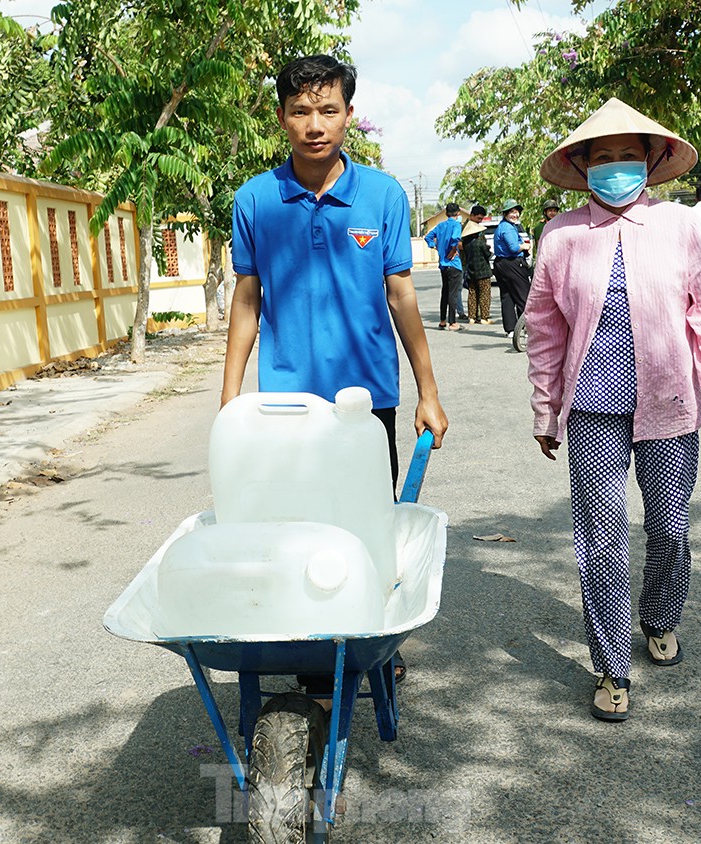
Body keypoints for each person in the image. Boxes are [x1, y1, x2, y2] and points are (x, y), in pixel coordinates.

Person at [223, 55, 447, 692]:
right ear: (281, 117)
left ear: (349, 115)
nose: (314, 125)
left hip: (366, 397)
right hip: (286, 404)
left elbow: (401, 295)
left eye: (328, 110)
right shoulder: (256, 200)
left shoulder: (381, 195)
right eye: (300, 111)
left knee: (369, 520)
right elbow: (248, 298)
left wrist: (428, 392)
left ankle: (371, 636)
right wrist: (228, 399)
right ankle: (307, 642)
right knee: (294, 523)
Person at [526, 97, 701, 722]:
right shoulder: (561, 234)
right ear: (583, 166)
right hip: (592, 401)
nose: (616, 167)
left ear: (650, 162)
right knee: (602, 540)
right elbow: (544, 329)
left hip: (671, 402)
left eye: (628, 156)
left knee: (670, 527)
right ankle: (611, 666)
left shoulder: (682, 228)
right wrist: (546, 410)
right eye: (603, 158)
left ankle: (660, 615)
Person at [493, 199, 531, 341]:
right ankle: (527, 328)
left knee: (507, 296)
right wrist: (525, 247)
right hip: (512, 263)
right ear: (505, 213)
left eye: (516, 212)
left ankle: (510, 329)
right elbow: (514, 248)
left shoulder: (504, 226)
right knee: (523, 295)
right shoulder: (508, 228)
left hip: (501, 264)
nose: (515, 215)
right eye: (511, 212)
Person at [424, 202, 466, 330]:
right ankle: (452, 322)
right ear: (458, 213)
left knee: (445, 292)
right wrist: (453, 250)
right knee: (453, 294)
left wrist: (435, 246)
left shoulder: (440, 225)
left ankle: (443, 320)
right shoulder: (456, 225)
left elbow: (428, 237)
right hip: (454, 263)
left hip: (443, 264)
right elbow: (455, 238)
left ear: (446, 213)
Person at [462, 204, 494, 324]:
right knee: (484, 294)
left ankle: (472, 317)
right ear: (472, 216)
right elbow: (487, 254)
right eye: (478, 218)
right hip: (483, 270)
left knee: (472, 293)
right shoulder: (480, 241)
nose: (480, 221)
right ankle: (484, 317)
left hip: (470, 269)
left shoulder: (466, 241)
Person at [533, 198, 562, 266]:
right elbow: (539, 244)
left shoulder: (560, 224)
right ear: (545, 212)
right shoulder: (540, 226)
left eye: (555, 211)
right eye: (550, 211)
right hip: (545, 257)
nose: (553, 213)